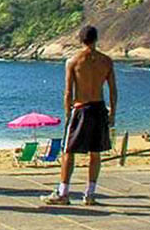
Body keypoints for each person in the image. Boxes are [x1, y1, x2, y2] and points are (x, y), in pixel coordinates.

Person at [42, 25, 117, 207]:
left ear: (80, 40)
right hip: (99, 108)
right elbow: (113, 90)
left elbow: (68, 91)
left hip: (81, 108)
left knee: (68, 151)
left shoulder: (74, 61)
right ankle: (90, 193)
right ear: (96, 39)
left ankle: (63, 192)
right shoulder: (106, 61)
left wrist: (68, 113)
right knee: (95, 152)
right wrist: (113, 112)